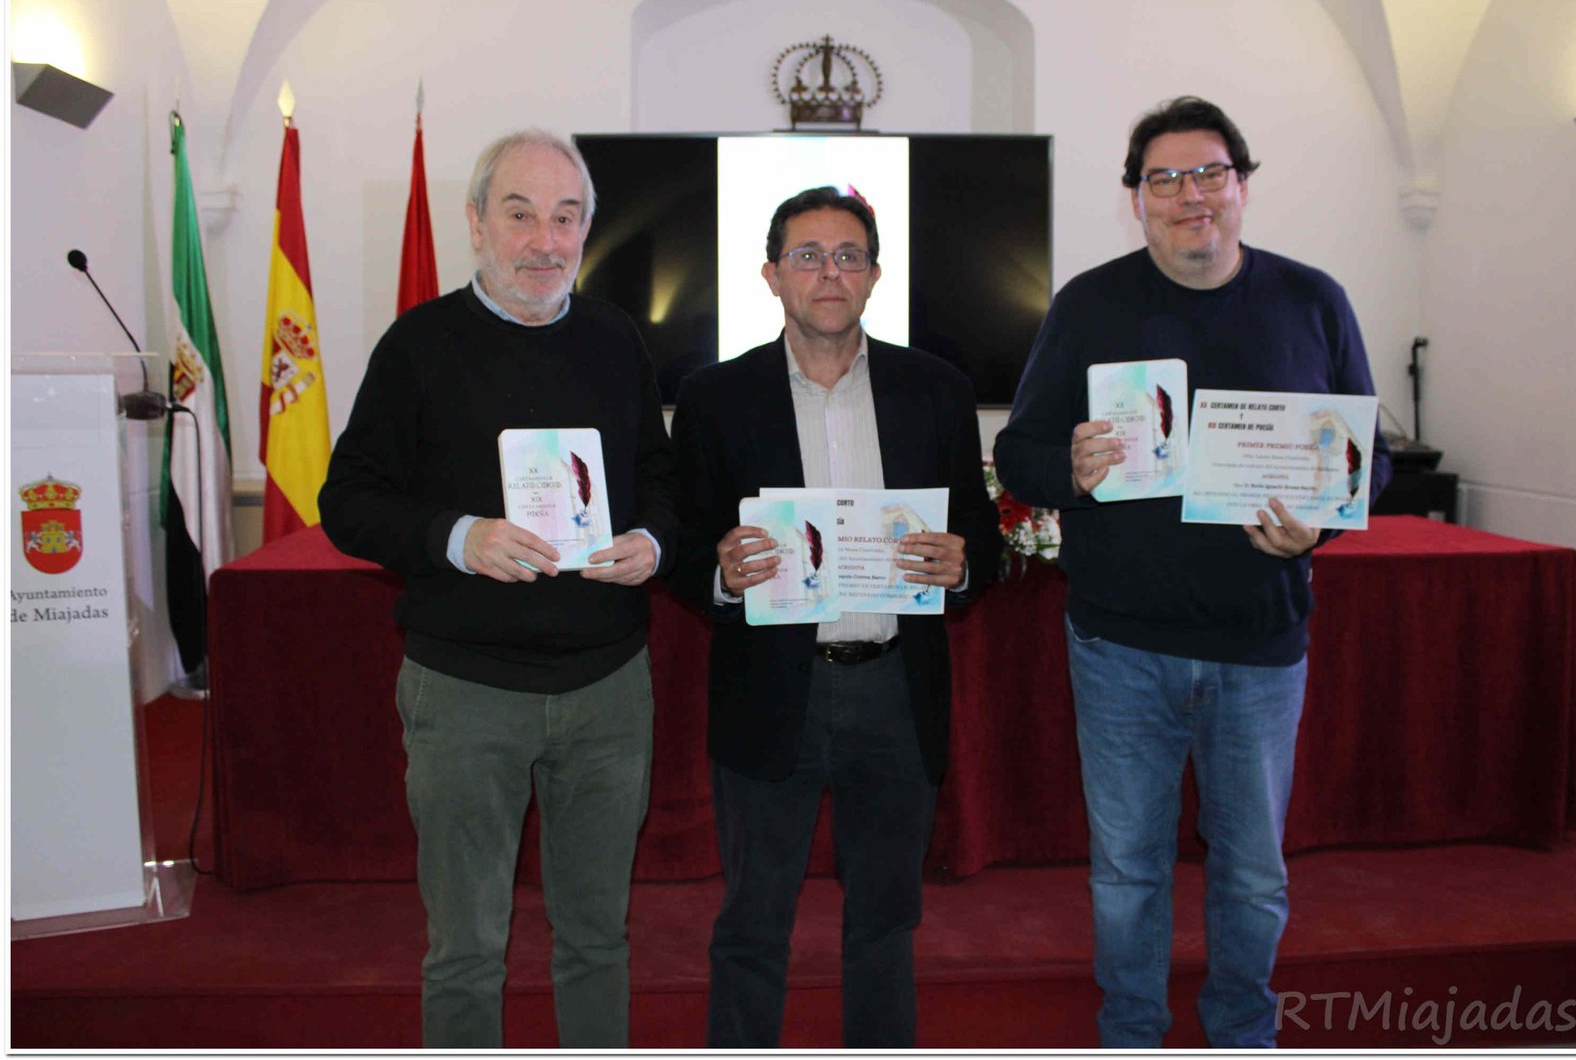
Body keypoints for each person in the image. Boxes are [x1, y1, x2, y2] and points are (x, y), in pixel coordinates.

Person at [994, 96, 1391, 1048]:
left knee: (1253, 873)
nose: (1189, 195)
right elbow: (1021, 454)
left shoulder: (1312, 300)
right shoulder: (1090, 303)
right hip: (1120, 645)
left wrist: (1318, 530)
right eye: (1163, 178)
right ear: (1135, 199)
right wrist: (1073, 469)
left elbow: (1368, 458)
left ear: (1242, 186)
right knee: (1127, 869)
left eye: (1209, 172)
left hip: (1261, 644)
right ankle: (1132, 1032)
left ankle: (1240, 1034)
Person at [318, 128, 676, 1049]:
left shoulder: (615, 340)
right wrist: (456, 536)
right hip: (465, 691)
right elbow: (347, 501)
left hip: (607, 692)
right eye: (520, 214)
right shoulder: (419, 345)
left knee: (597, 937)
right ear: (477, 222)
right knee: (468, 947)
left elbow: (660, 477)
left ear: (587, 231)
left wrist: (653, 538)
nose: (544, 241)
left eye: (566, 218)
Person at [670, 186, 998, 1048]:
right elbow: (679, 543)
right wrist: (720, 571)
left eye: (848, 255)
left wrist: (963, 564)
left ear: (875, 275)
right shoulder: (713, 397)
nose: (828, 272)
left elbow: (984, 542)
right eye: (807, 255)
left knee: (886, 922)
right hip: (770, 692)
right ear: (772, 274)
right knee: (752, 924)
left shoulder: (936, 390)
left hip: (894, 690)